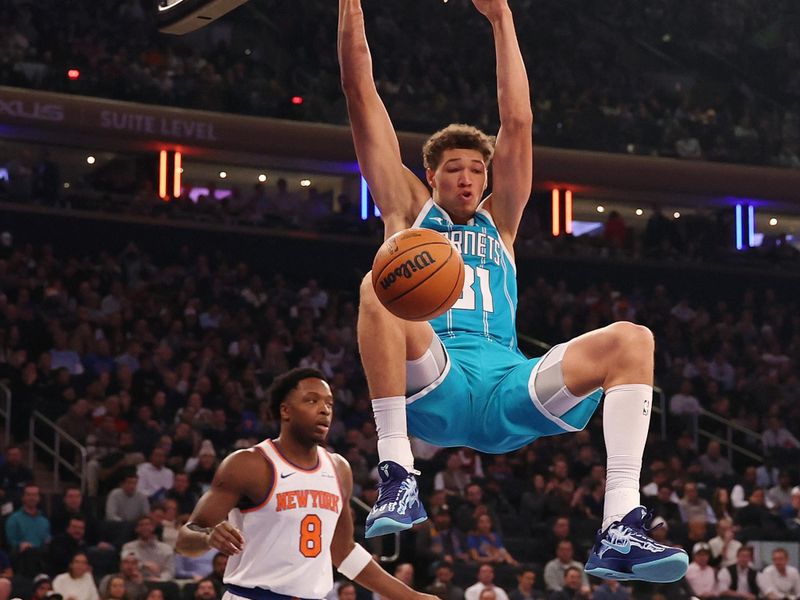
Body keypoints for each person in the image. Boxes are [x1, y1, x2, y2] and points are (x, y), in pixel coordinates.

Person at [337, 0, 687, 583]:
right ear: (431, 175)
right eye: (454, 168)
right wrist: (351, 8)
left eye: (477, 168)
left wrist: (501, 18)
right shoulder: (406, 210)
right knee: (378, 284)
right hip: (437, 378)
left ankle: (620, 526)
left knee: (633, 340)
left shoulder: (501, 223)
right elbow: (359, 92)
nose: (468, 177)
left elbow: (518, 124)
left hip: (505, 385)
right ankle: (397, 473)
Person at [174, 367, 438, 600]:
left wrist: (410, 596)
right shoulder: (249, 464)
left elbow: (343, 552)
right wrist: (208, 537)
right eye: (312, 401)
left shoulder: (338, 468)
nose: (324, 409)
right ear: (285, 411)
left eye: (329, 404)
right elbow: (185, 540)